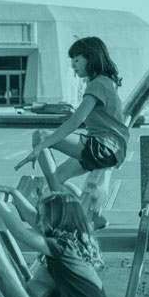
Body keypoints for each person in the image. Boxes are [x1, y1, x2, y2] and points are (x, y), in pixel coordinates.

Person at [0, 186, 108, 297]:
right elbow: (32, 217)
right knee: (44, 273)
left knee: (30, 287)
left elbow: (21, 233)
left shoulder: (62, 247)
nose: (39, 220)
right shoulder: (73, 238)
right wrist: (15, 195)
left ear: (57, 221)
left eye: (44, 217)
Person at [15, 37, 129, 211]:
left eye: (77, 60)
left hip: (104, 147)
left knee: (40, 136)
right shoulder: (105, 82)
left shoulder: (97, 84)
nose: (73, 65)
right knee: (56, 177)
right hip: (110, 149)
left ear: (91, 57)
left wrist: (40, 147)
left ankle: (57, 201)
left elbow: (76, 121)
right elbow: (101, 116)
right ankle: (82, 211)